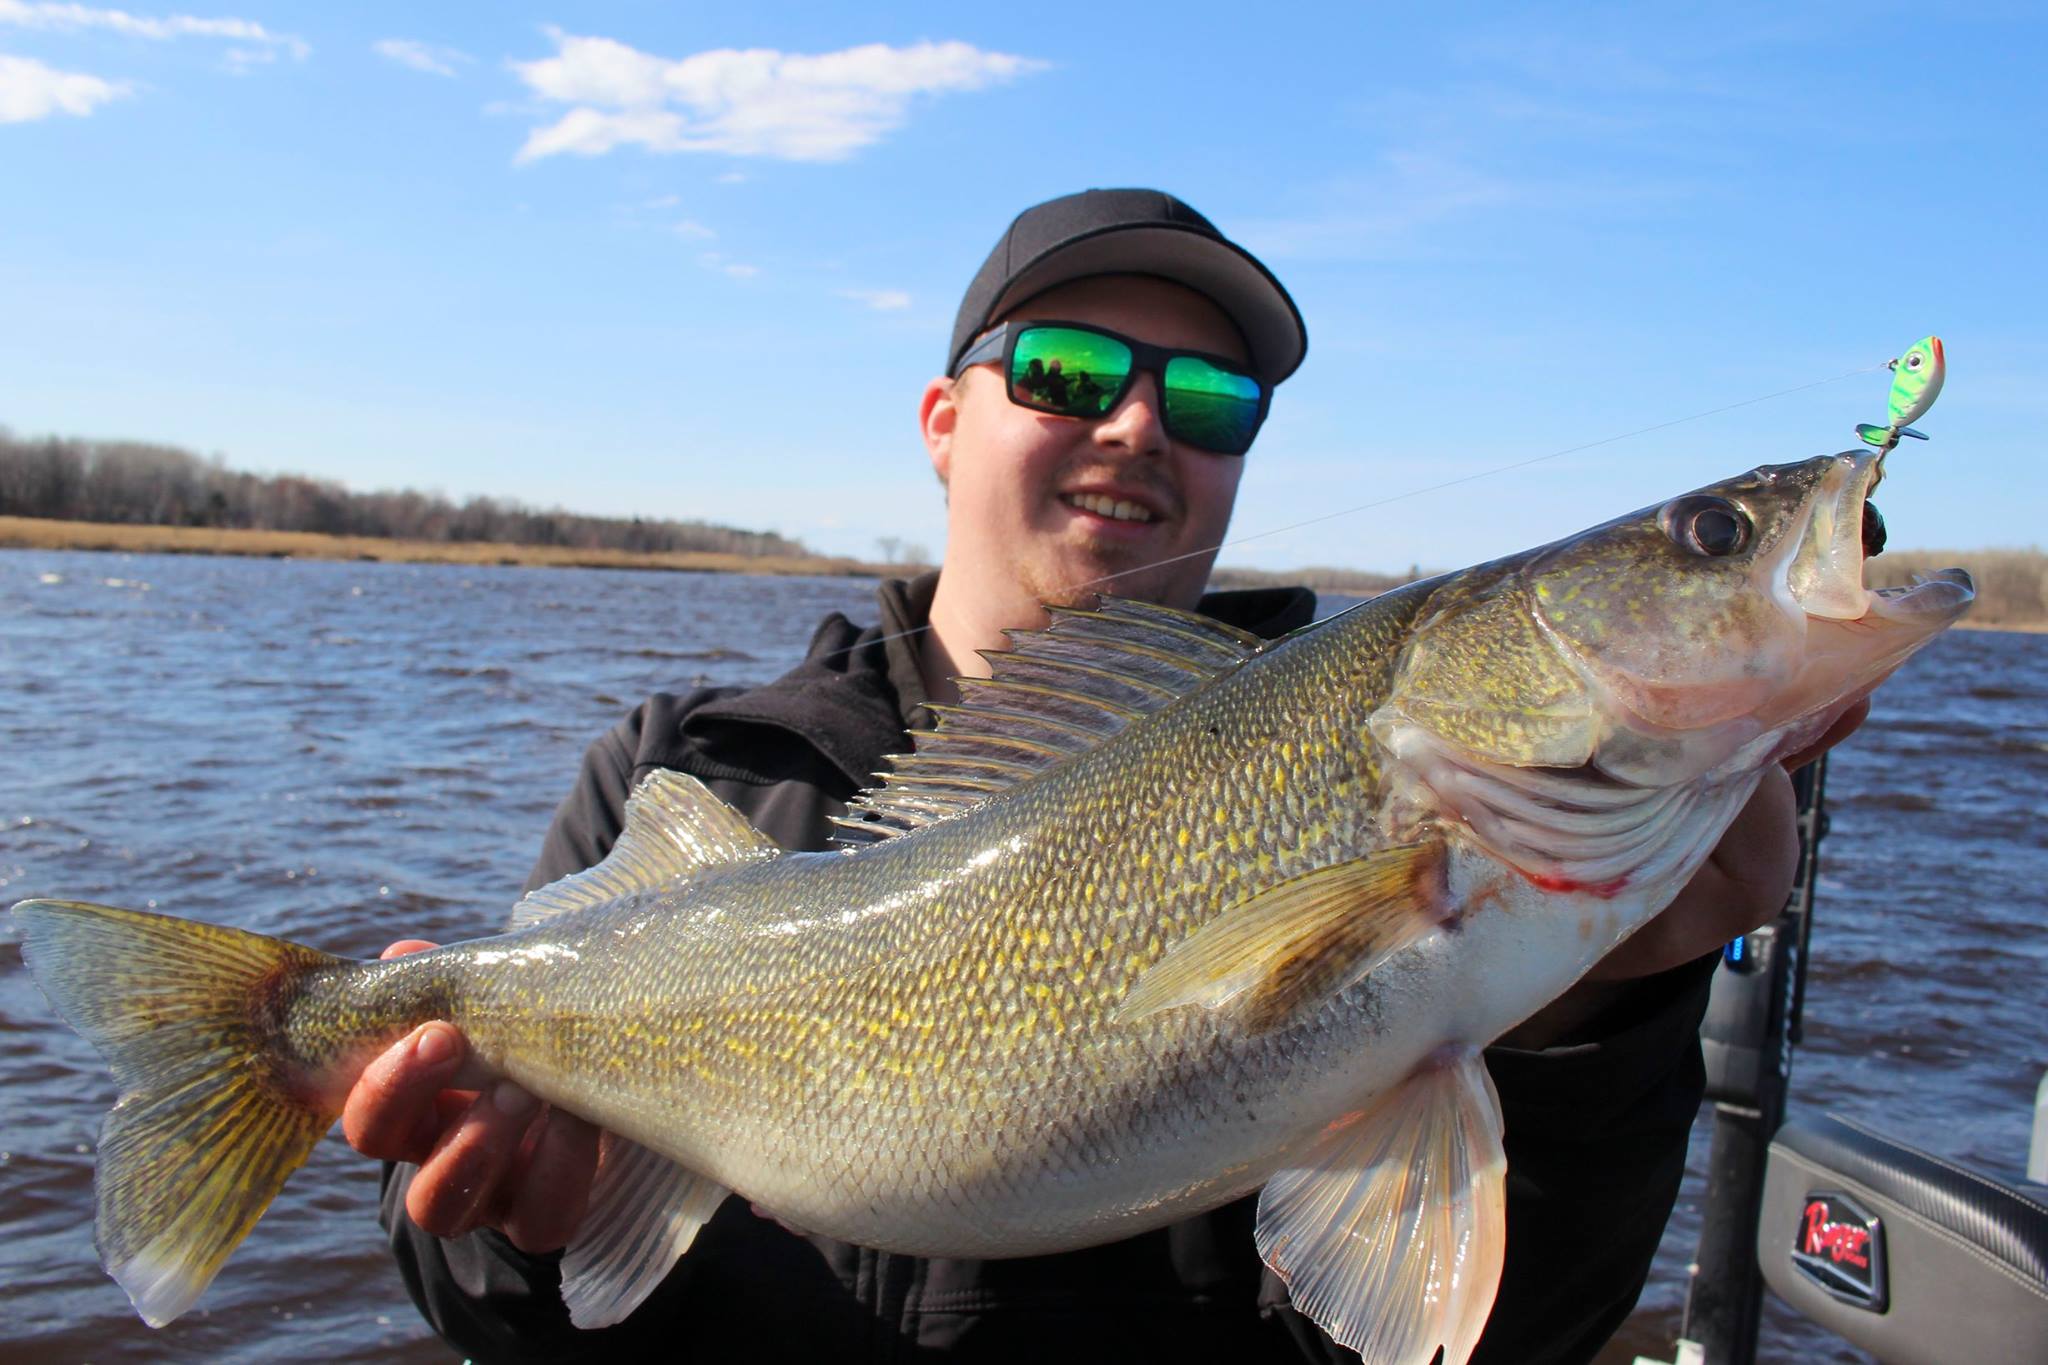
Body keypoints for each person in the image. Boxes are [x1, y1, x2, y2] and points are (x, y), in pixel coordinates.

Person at [344, 188, 1863, 1363]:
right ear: (946, 425)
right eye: (1071, 370)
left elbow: (1431, 1343)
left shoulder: (1454, 853)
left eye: (1210, 404)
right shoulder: (684, 771)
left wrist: (1599, 1021)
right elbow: (510, 1317)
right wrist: (519, 1238)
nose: (1140, 424)